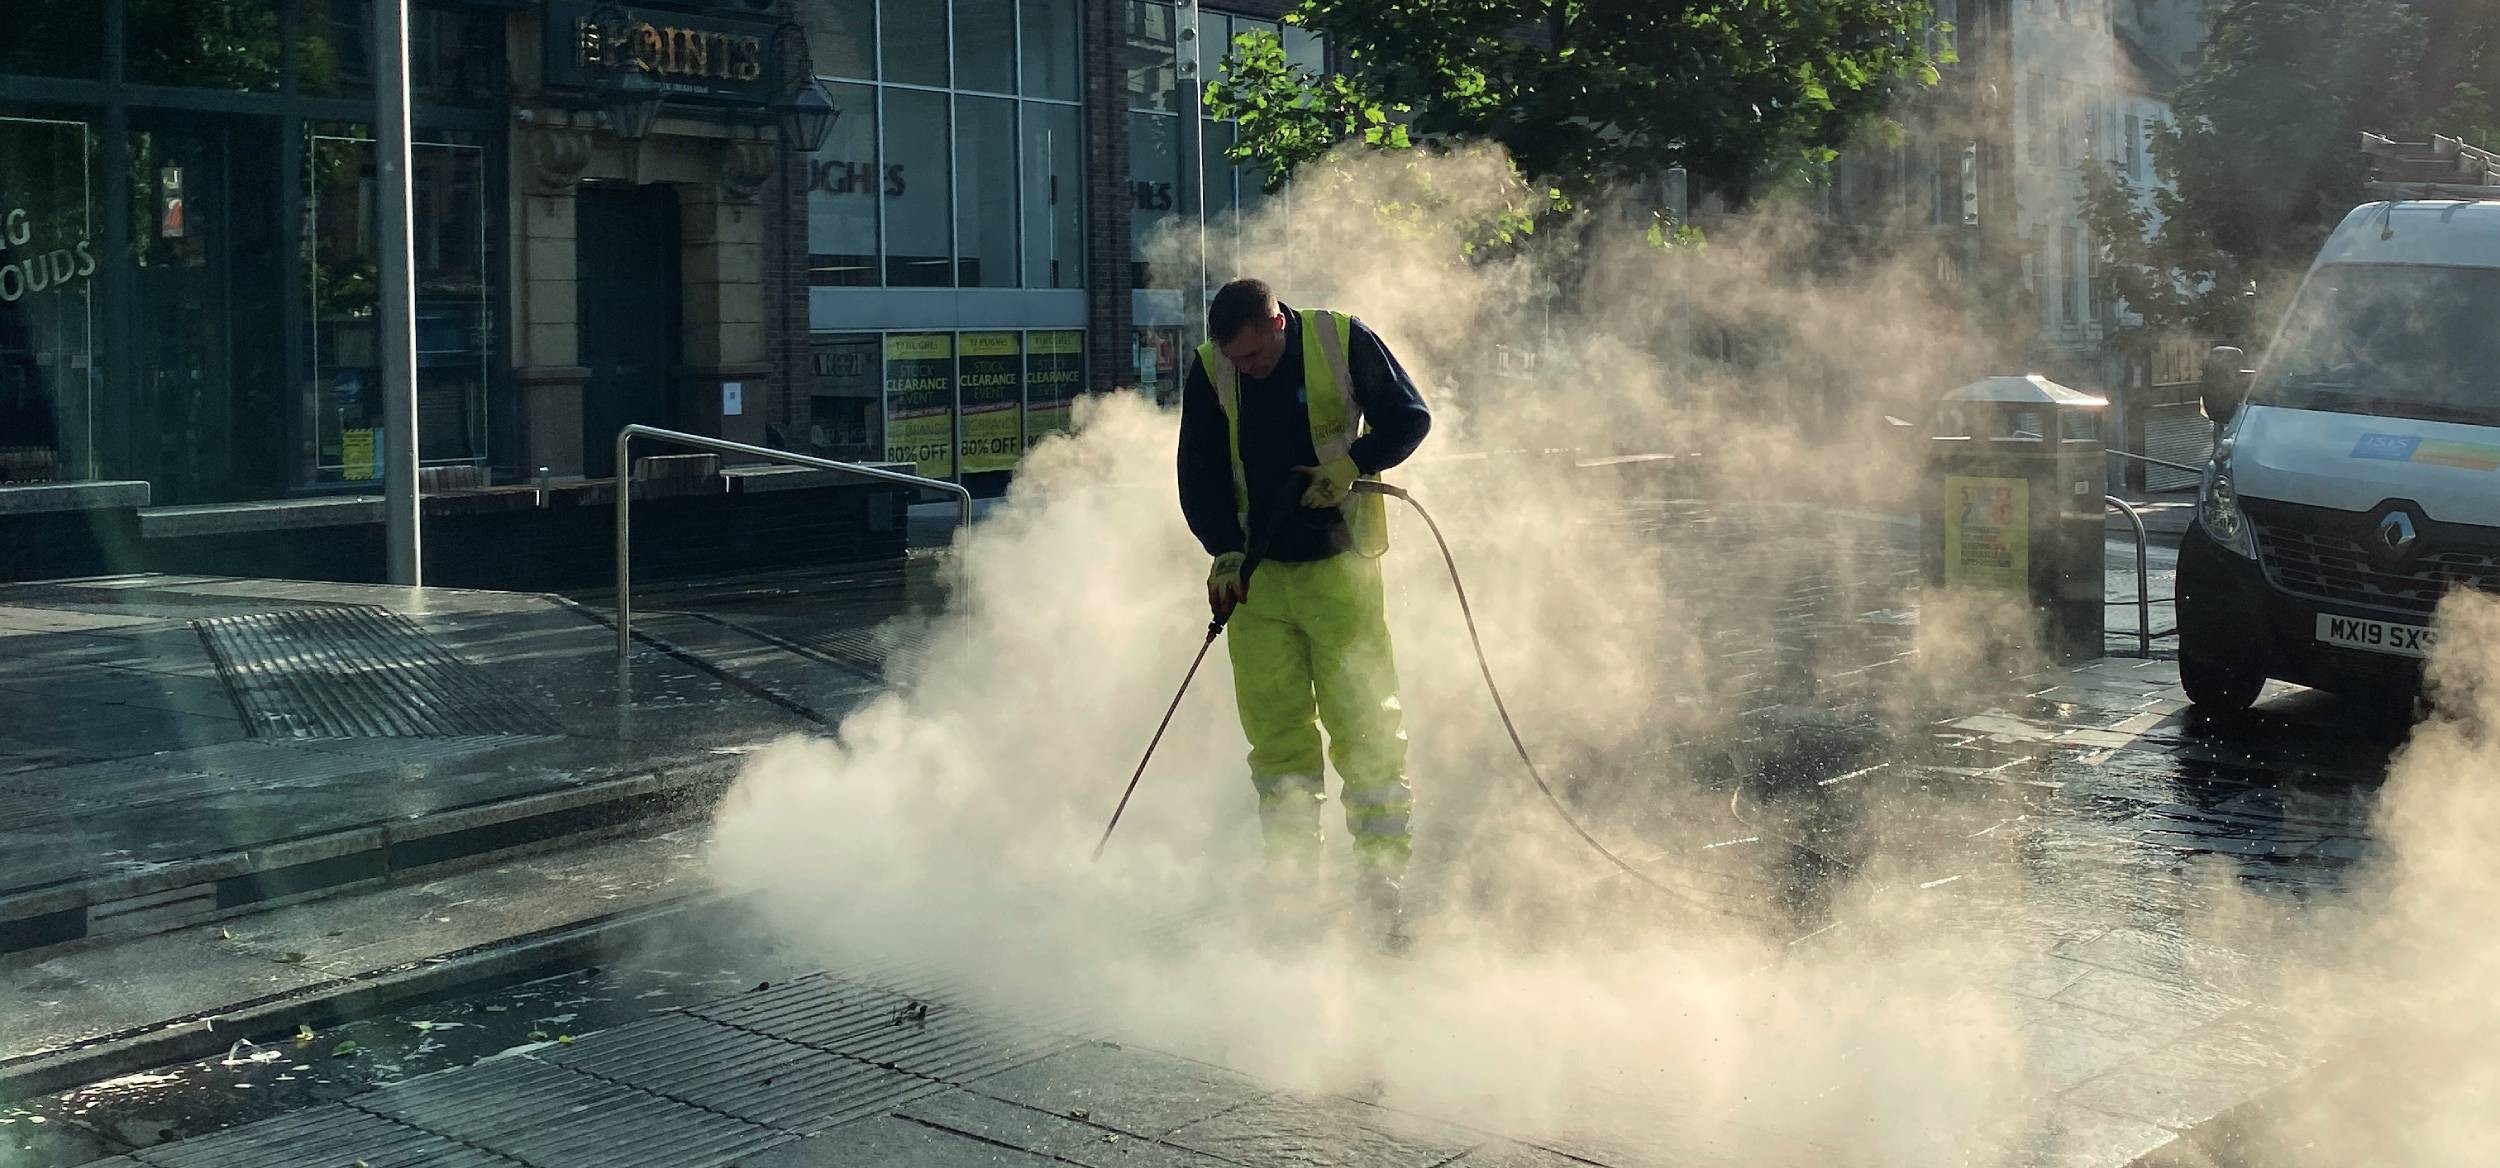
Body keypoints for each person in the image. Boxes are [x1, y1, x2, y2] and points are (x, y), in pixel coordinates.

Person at [1176, 278, 1432, 943]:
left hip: (1339, 566)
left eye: (1257, 358)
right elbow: (1197, 469)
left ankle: (1383, 884)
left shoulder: (1339, 340)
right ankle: (1291, 888)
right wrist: (1224, 550)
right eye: (1237, 361)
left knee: (1366, 727)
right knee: (1277, 735)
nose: (1248, 371)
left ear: (1278, 325)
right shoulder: (1212, 370)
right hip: (1257, 580)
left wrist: (1352, 464)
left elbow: (1410, 418)